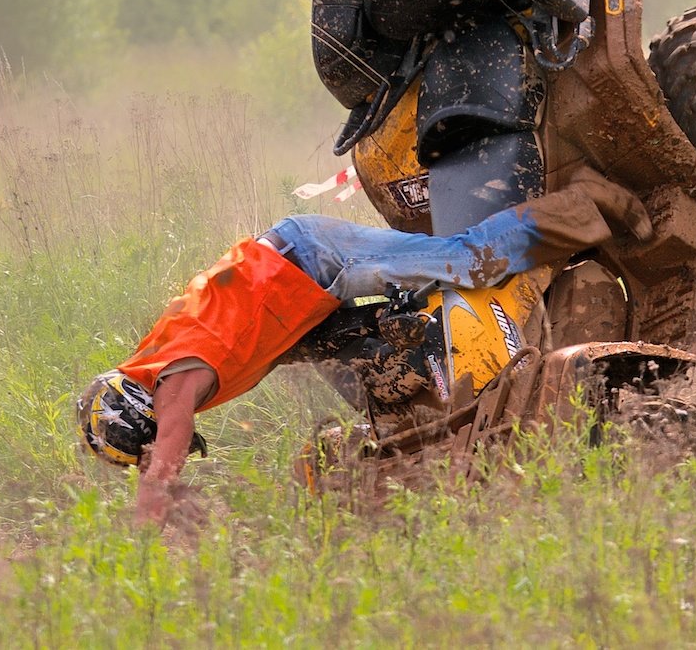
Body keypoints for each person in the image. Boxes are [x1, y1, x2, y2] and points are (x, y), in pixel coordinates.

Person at [77, 166, 653, 528]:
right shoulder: (169, 361)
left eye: (146, 446)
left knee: (466, 258)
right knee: (358, 352)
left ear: (138, 418)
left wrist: (152, 505)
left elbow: (170, 437)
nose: (160, 449)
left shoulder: (171, 381)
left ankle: (587, 201)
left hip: (310, 258)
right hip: (298, 293)